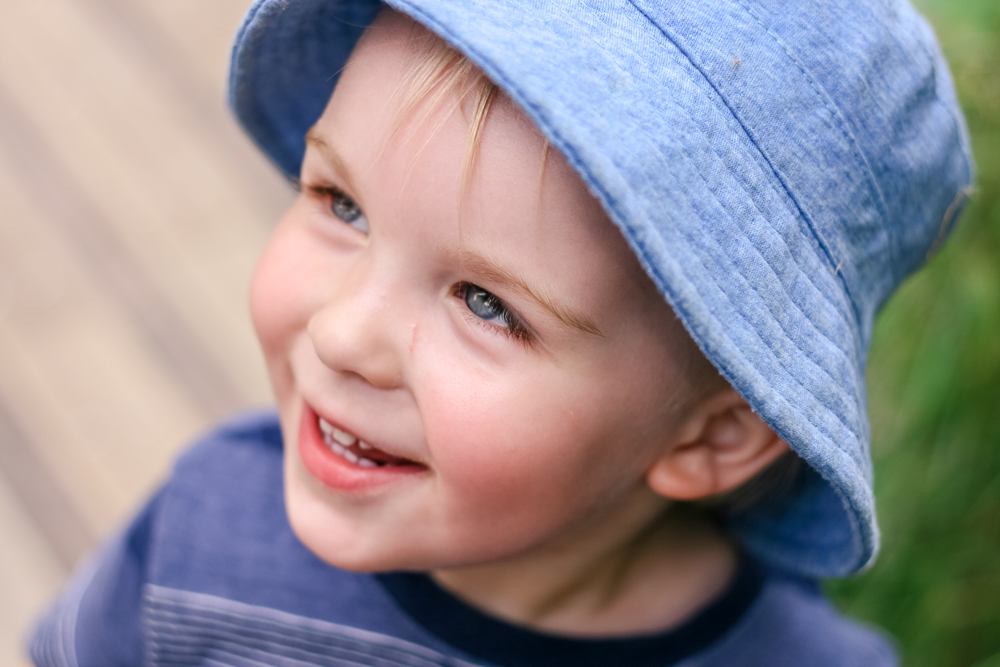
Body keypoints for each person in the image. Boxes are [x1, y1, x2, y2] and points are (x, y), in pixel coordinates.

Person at [29, 0, 974, 664]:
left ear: (712, 432)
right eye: (340, 202)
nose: (346, 332)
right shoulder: (204, 542)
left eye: (487, 303)